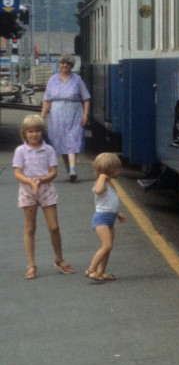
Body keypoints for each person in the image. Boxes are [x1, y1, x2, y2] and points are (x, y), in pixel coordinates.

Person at [13, 114, 75, 279]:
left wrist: (40, 180)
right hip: (27, 191)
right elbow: (17, 173)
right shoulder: (21, 151)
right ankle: (31, 265)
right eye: (30, 131)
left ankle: (59, 259)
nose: (34, 134)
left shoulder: (49, 150)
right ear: (24, 133)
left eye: (38, 131)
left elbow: (53, 172)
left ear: (42, 132)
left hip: (46, 189)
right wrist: (30, 182)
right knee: (30, 228)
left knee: (54, 227)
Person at [41, 53, 91, 182]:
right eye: (63, 63)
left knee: (73, 139)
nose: (65, 65)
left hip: (74, 113)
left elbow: (86, 98)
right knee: (61, 142)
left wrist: (85, 114)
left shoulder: (77, 79)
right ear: (59, 65)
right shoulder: (52, 80)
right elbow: (47, 100)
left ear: (71, 66)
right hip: (57, 115)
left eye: (68, 64)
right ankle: (69, 170)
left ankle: (73, 168)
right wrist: (41, 117)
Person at [86, 152, 126, 283]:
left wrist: (117, 213)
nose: (119, 171)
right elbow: (97, 191)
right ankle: (91, 269)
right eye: (117, 168)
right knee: (106, 246)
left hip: (110, 219)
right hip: (101, 219)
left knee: (109, 247)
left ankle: (101, 271)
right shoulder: (101, 183)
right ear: (108, 170)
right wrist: (102, 178)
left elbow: (110, 201)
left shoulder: (110, 183)